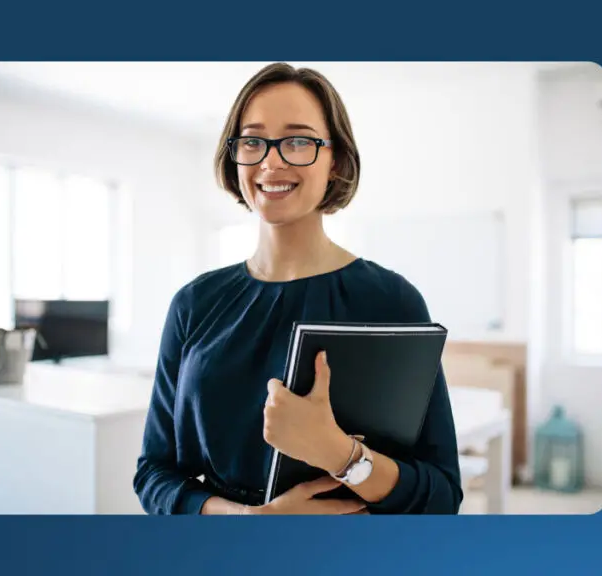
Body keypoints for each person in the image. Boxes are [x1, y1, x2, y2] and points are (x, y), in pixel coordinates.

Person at [133, 62, 463, 515]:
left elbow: (442, 496)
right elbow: (154, 472)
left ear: (337, 161)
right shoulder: (194, 303)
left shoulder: (392, 300)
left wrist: (339, 454)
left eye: (298, 141)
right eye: (252, 140)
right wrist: (250, 521)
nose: (271, 161)